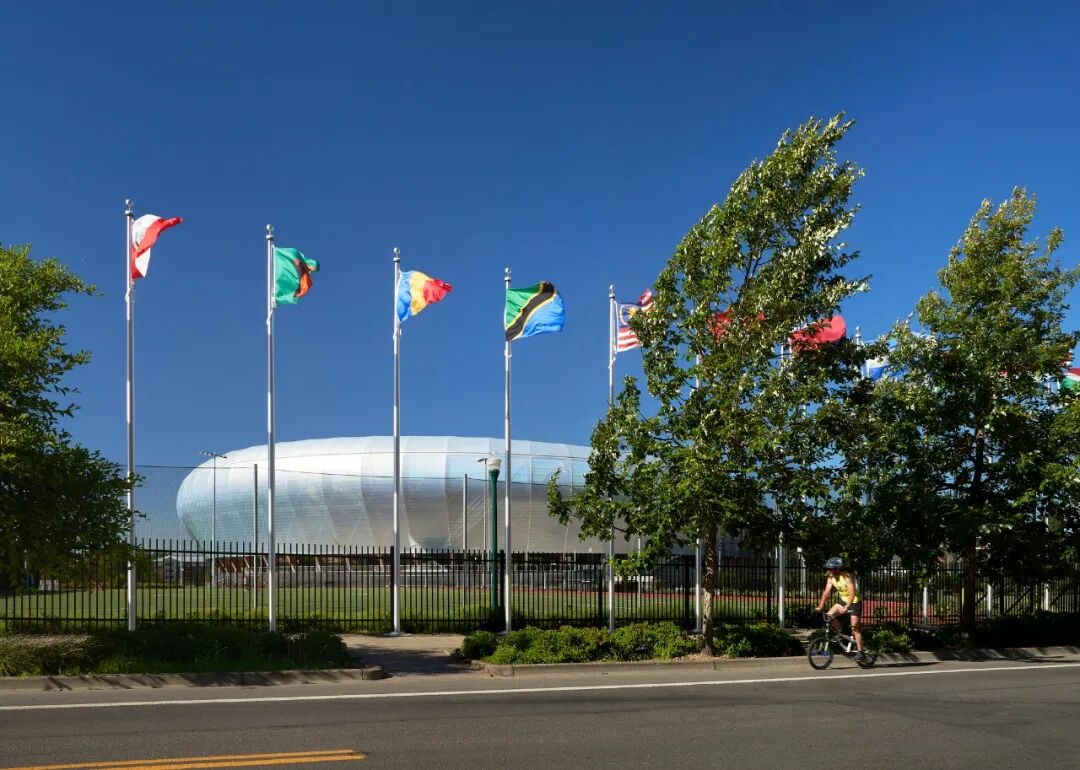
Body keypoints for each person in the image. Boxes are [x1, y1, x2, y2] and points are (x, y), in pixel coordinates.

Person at [815, 557, 865, 659]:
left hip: (854, 602)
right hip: (843, 601)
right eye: (829, 569)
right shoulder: (830, 577)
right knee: (829, 615)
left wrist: (847, 606)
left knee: (855, 628)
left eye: (832, 569)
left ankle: (861, 651)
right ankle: (840, 632)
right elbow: (827, 592)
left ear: (838, 569)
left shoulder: (846, 577)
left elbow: (852, 592)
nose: (830, 571)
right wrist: (821, 605)